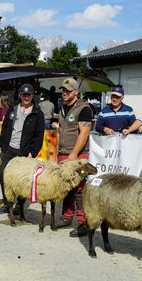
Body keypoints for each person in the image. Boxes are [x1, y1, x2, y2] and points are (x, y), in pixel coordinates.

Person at [0, 83, 45, 215]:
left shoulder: (38, 113)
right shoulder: (13, 109)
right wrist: (0, 146)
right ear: (20, 95)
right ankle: (7, 203)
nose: (26, 97)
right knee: (3, 175)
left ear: (33, 95)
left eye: (29, 94)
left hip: (24, 151)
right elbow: (4, 128)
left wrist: (32, 153)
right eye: (24, 95)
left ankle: (19, 206)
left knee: (22, 180)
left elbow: (39, 135)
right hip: (9, 148)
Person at [52, 77, 93, 237]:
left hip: (78, 156)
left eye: (68, 90)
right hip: (63, 154)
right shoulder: (62, 107)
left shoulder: (84, 108)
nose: (65, 92)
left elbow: (84, 132)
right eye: (63, 89)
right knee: (66, 188)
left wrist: (74, 154)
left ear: (76, 91)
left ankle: (83, 223)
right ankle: (67, 217)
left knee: (79, 189)